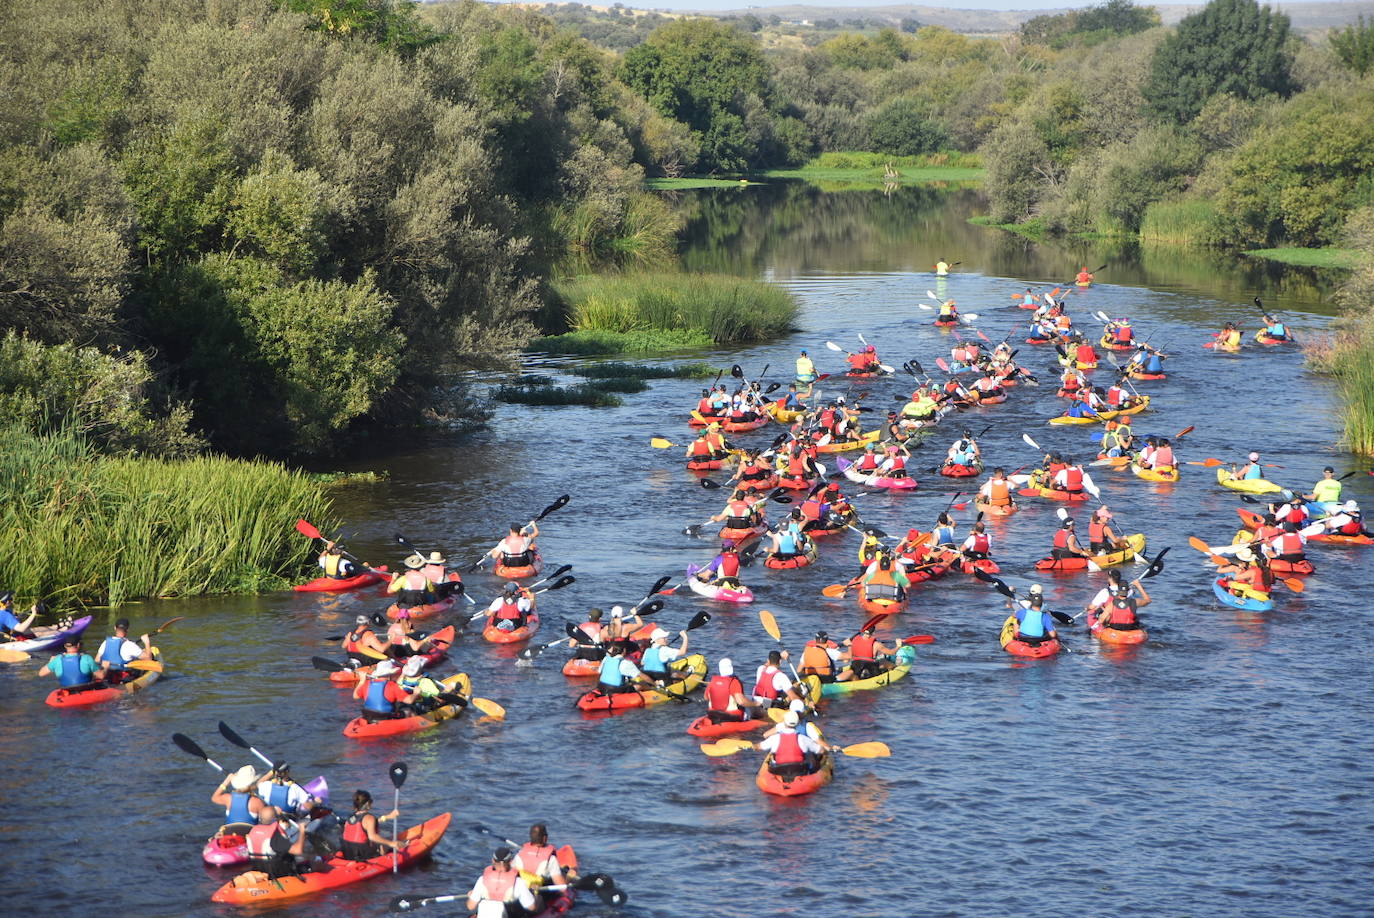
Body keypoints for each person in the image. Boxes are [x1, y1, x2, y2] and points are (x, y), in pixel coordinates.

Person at [467, 847, 538, 916]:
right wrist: (533, 893)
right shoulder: (518, 882)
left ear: (493, 860)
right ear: (510, 861)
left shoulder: (482, 879)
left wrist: (472, 896)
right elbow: (532, 907)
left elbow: (470, 906)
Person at [759, 711, 829, 777]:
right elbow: (820, 746)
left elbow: (765, 736)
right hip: (800, 766)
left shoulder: (780, 728)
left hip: (780, 766)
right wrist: (828, 749)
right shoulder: (807, 730)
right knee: (810, 754)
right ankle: (811, 772)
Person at [246, 805, 310, 879]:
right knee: (306, 859)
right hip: (277, 873)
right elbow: (298, 850)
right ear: (275, 818)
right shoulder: (275, 835)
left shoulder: (253, 831)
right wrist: (302, 831)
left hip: (258, 869)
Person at [340, 789, 401, 861]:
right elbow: (372, 837)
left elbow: (366, 824)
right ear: (368, 804)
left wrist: (387, 817)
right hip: (362, 855)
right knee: (384, 843)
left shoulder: (350, 817)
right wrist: (391, 843)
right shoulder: (369, 818)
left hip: (348, 853)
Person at [516, 823, 570, 897]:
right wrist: (569, 879)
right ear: (545, 838)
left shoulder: (519, 854)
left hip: (521, 891)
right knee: (564, 872)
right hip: (539, 894)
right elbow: (562, 888)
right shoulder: (551, 859)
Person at [353, 660, 418, 719]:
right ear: (390, 674)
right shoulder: (392, 686)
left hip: (368, 715)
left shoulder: (367, 684)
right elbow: (409, 700)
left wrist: (362, 681)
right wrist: (416, 693)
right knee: (408, 711)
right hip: (386, 716)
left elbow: (355, 696)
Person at [704, 658, 757, 723]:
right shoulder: (734, 682)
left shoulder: (712, 682)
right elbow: (741, 702)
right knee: (749, 708)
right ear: (731, 668)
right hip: (731, 716)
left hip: (713, 714)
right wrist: (755, 704)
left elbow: (706, 697)